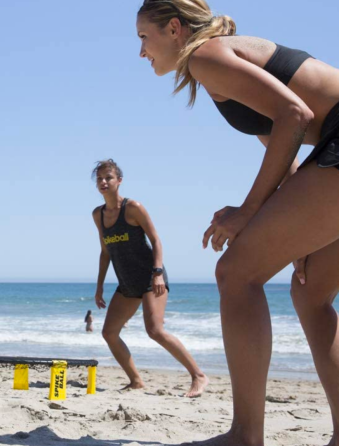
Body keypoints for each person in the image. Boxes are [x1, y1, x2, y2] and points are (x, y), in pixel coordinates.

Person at [136, 0, 339, 444]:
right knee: (310, 292)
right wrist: (295, 238)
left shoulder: (207, 56)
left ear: (174, 29)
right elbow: (282, 147)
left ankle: (246, 435)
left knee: (235, 273)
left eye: (143, 38)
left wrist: (248, 212)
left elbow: (296, 117)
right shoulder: (217, 63)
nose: (141, 52)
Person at [91, 159, 208, 397]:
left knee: (155, 330)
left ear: (119, 181)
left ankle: (199, 375)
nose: (103, 182)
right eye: (100, 178)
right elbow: (105, 253)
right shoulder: (98, 215)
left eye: (108, 178)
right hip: (126, 282)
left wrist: (157, 273)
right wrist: (99, 286)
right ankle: (136, 381)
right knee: (109, 332)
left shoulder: (133, 208)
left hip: (150, 276)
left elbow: (156, 240)